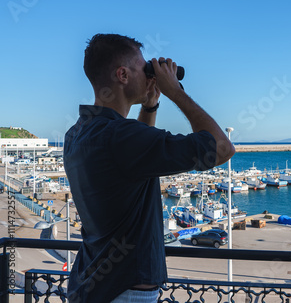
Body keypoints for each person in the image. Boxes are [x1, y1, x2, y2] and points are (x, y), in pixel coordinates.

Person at [64, 33, 235, 302]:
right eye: (143, 67)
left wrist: (151, 104)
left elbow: (136, 162)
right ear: (122, 75)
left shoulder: (77, 133)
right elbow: (222, 148)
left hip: (91, 283)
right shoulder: (121, 137)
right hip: (126, 290)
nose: (150, 74)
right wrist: (176, 92)